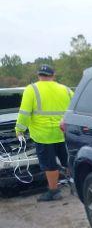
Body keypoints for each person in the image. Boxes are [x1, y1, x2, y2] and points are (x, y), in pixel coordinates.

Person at [15, 64, 73, 202]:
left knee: (49, 164)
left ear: (38, 75)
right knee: (68, 161)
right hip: (64, 133)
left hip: (44, 135)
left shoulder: (32, 89)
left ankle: (54, 192)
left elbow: (24, 113)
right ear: (53, 76)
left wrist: (19, 129)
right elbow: (75, 108)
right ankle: (75, 184)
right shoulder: (66, 89)